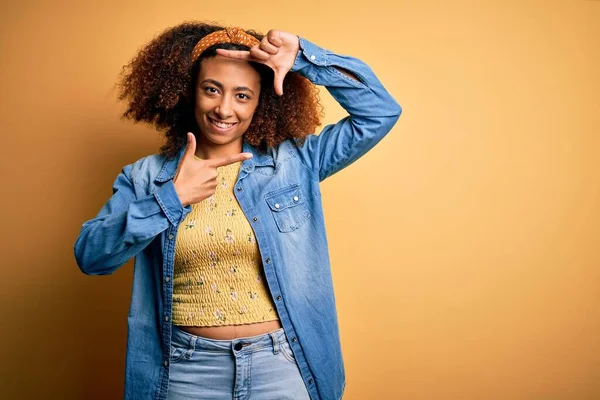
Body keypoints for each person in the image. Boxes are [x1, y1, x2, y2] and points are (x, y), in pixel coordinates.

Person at [74, 21, 401, 400]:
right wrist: (170, 199)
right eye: (212, 89)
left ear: (262, 102)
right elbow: (91, 256)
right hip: (185, 372)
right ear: (189, 92)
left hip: (280, 367)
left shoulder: (295, 163)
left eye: (242, 95)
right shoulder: (147, 177)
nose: (224, 108)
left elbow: (380, 112)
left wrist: (305, 59)